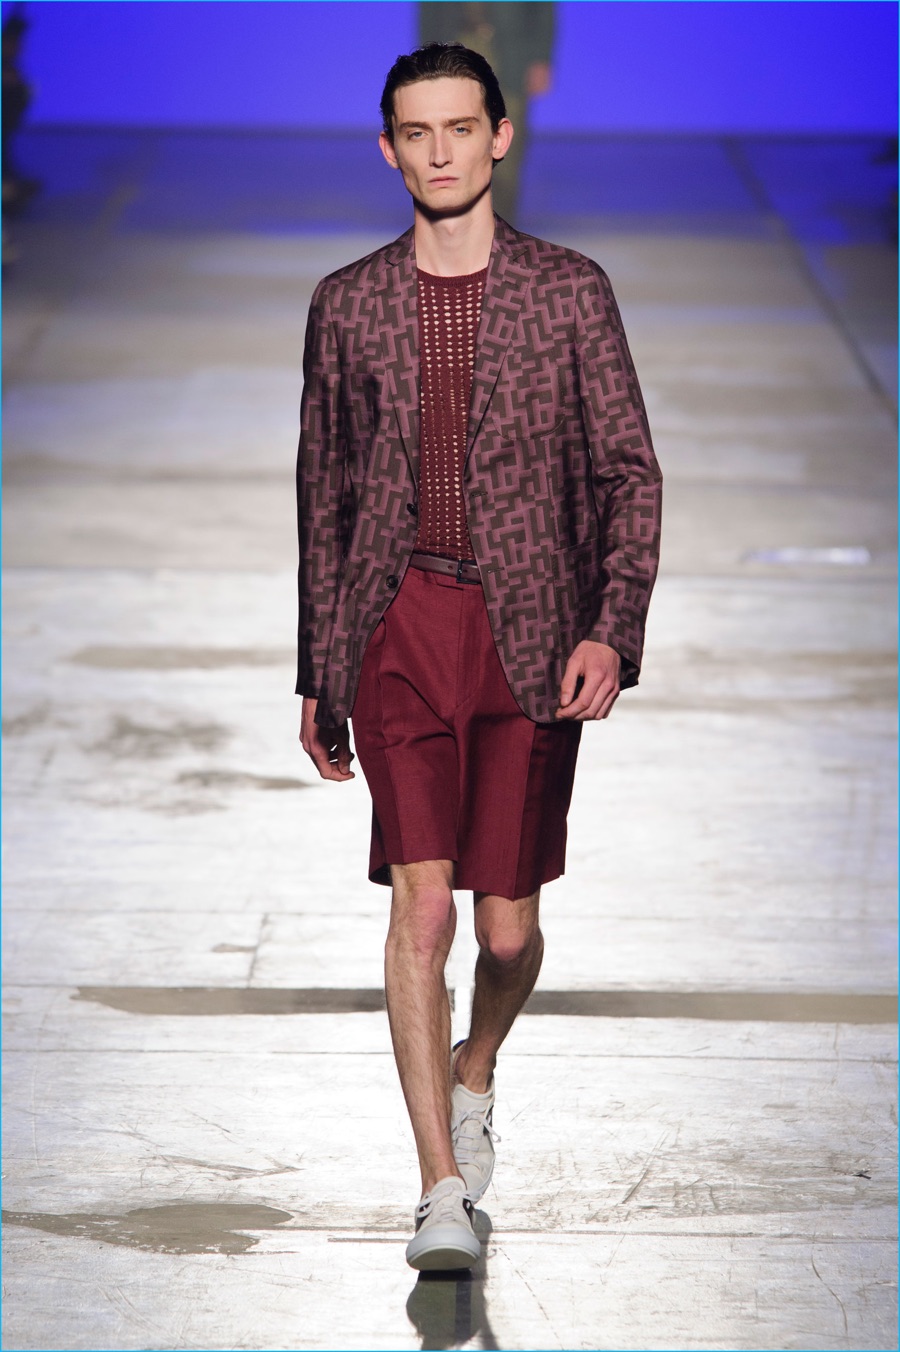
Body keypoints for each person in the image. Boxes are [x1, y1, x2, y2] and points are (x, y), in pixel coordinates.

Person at [296, 42, 661, 1272]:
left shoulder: (570, 293)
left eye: (461, 127)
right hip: (397, 621)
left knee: (507, 936)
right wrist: (320, 664)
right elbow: (326, 494)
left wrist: (612, 625)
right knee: (424, 910)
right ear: (388, 149)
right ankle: (437, 1188)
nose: (440, 151)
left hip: (531, 629)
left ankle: (477, 1064)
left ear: (500, 137)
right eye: (418, 132)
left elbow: (628, 472)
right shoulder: (347, 303)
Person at [418, 2, 555, 222]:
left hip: (510, 52)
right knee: (454, 135)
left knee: (508, 138)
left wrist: (541, 59)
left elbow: (542, 9)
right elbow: (430, 9)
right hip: (455, 45)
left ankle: (500, 220)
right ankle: (460, 218)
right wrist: (424, 59)